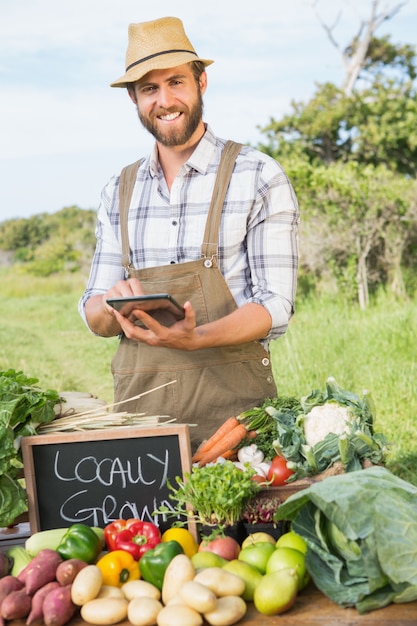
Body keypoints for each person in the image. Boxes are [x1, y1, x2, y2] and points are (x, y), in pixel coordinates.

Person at [78, 16, 300, 452]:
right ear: (133, 98)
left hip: (235, 425)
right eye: (149, 89)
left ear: (202, 81)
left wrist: (196, 337)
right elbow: (93, 313)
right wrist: (111, 303)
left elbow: (275, 305)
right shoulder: (117, 190)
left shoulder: (257, 175)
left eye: (176, 82)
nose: (165, 100)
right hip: (142, 431)